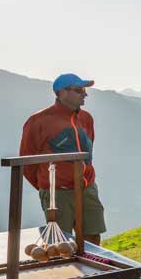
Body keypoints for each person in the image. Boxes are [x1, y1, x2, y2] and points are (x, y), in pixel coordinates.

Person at [20, 73, 107, 245]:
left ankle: (93, 272)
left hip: (87, 188)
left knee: (93, 238)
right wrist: (48, 187)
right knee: (60, 244)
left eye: (84, 90)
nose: (85, 94)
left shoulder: (86, 118)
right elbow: (27, 163)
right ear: (61, 93)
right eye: (79, 90)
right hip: (57, 193)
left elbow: (88, 151)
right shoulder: (38, 121)